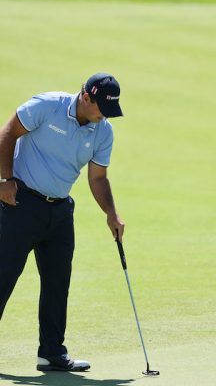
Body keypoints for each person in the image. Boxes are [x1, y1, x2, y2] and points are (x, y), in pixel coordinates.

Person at [0, 73, 125, 371]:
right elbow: (7, 133)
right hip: (19, 204)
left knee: (58, 283)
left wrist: (110, 213)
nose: (103, 117)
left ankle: (51, 353)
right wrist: (5, 179)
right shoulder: (48, 106)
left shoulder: (103, 132)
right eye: (101, 109)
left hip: (59, 213)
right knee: (3, 277)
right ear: (85, 97)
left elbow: (97, 177)